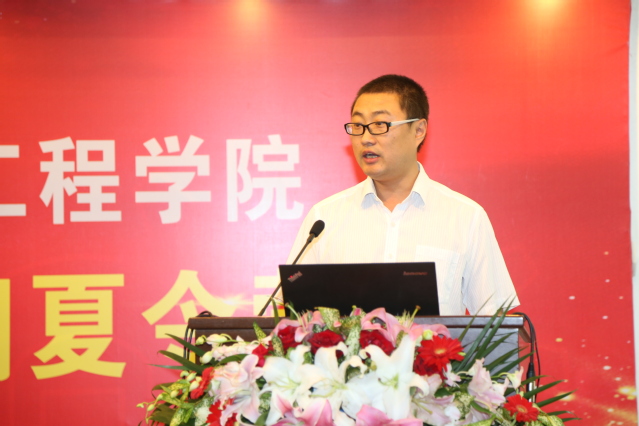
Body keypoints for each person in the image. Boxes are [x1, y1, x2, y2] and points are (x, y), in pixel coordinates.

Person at [286, 74, 518, 315]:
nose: (365, 138)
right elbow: (295, 316)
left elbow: (495, 325)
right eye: (358, 126)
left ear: (418, 130)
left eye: (380, 125)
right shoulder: (324, 218)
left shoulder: (466, 217)